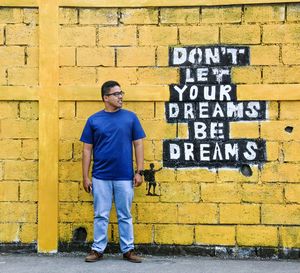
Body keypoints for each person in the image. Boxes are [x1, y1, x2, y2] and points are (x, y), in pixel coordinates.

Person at [80, 80, 146, 263]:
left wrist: (139, 171)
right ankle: (98, 249)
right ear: (105, 97)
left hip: (125, 176)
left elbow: (138, 144)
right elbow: (87, 150)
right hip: (100, 176)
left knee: (125, 214)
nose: (120, 96)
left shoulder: (130, 117)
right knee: (100, 214)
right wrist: (85, 177)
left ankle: (128, 250)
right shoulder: (94, 120)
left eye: (121, 93)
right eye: (116, 94)